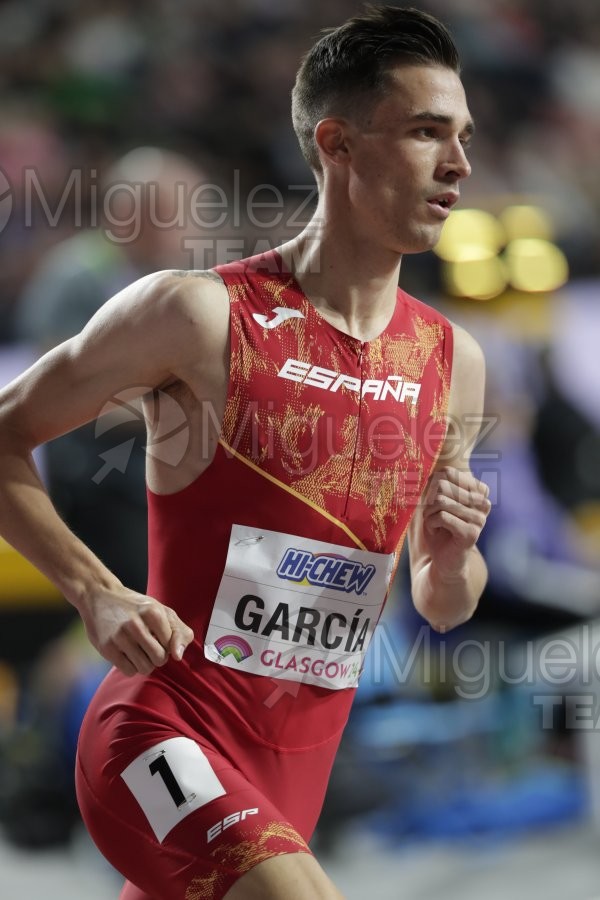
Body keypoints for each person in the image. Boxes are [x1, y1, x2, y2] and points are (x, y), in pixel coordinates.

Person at [0, 7, 491, 899]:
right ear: (337, 143)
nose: (459, 164)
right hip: (160, 732)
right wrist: (97, 591)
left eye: (461, 135)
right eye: (427, 133)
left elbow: (444, 604)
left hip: (293, 771)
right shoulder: (196, 316)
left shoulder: (453, 362)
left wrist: (453, 560)